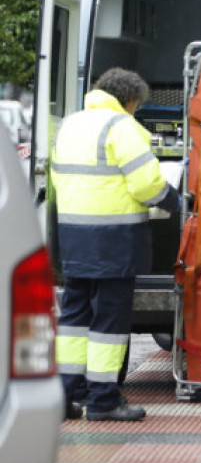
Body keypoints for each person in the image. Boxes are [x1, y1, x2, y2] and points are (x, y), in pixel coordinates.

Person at [53, 68, 181, 421]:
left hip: (74, 236)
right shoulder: (122, 127)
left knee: (74, 317)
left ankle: (65, 394)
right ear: (129, 101)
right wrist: (173, 199)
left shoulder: (71, 124)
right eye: (137, 105)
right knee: (109, 321)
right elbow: (146, 186)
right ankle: (103, 399)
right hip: (113, 238)